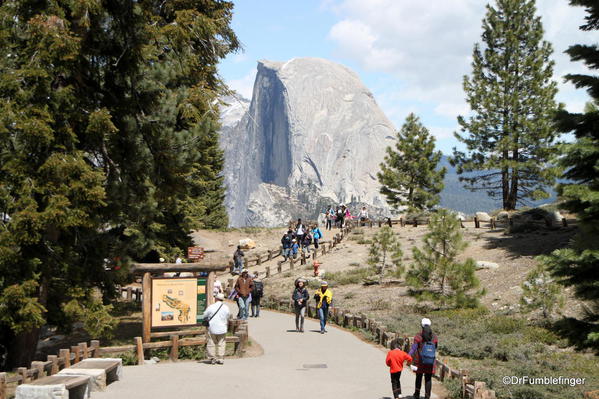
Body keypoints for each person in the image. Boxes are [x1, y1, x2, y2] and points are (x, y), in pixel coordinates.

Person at [408, 318, 438, 399]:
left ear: (421, 325)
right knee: (428, 379)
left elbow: (414, 348)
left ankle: (416, 394)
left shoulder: (418, 336)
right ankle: (427, 396)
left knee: (419, 377)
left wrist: (408, 355)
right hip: (430, 360)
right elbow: (435, 348)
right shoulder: (434, 336)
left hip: (420, 360)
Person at [202, 293, 230, 365]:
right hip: (222, 328)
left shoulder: (211, 307)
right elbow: (228, 316)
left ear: (216, 299)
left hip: (212, 328)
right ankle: (220, 358)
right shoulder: (226, 307)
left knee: (211, 342)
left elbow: (204, 315)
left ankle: (212, 358)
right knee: (221, 343)